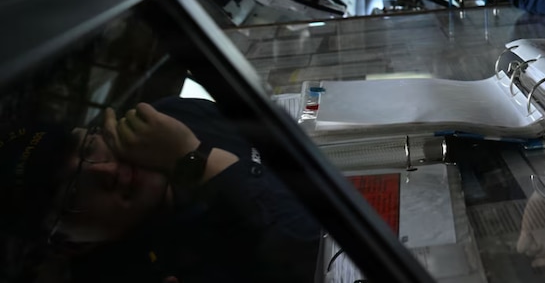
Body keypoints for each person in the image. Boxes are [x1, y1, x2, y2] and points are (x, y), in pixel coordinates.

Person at [1, 96, 321, 282]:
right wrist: (192, 160)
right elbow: (319, 253)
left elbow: (289, 132)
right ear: (67, 244)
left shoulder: (169, 117)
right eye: (73, 193)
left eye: (88, 149)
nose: (108, 171)